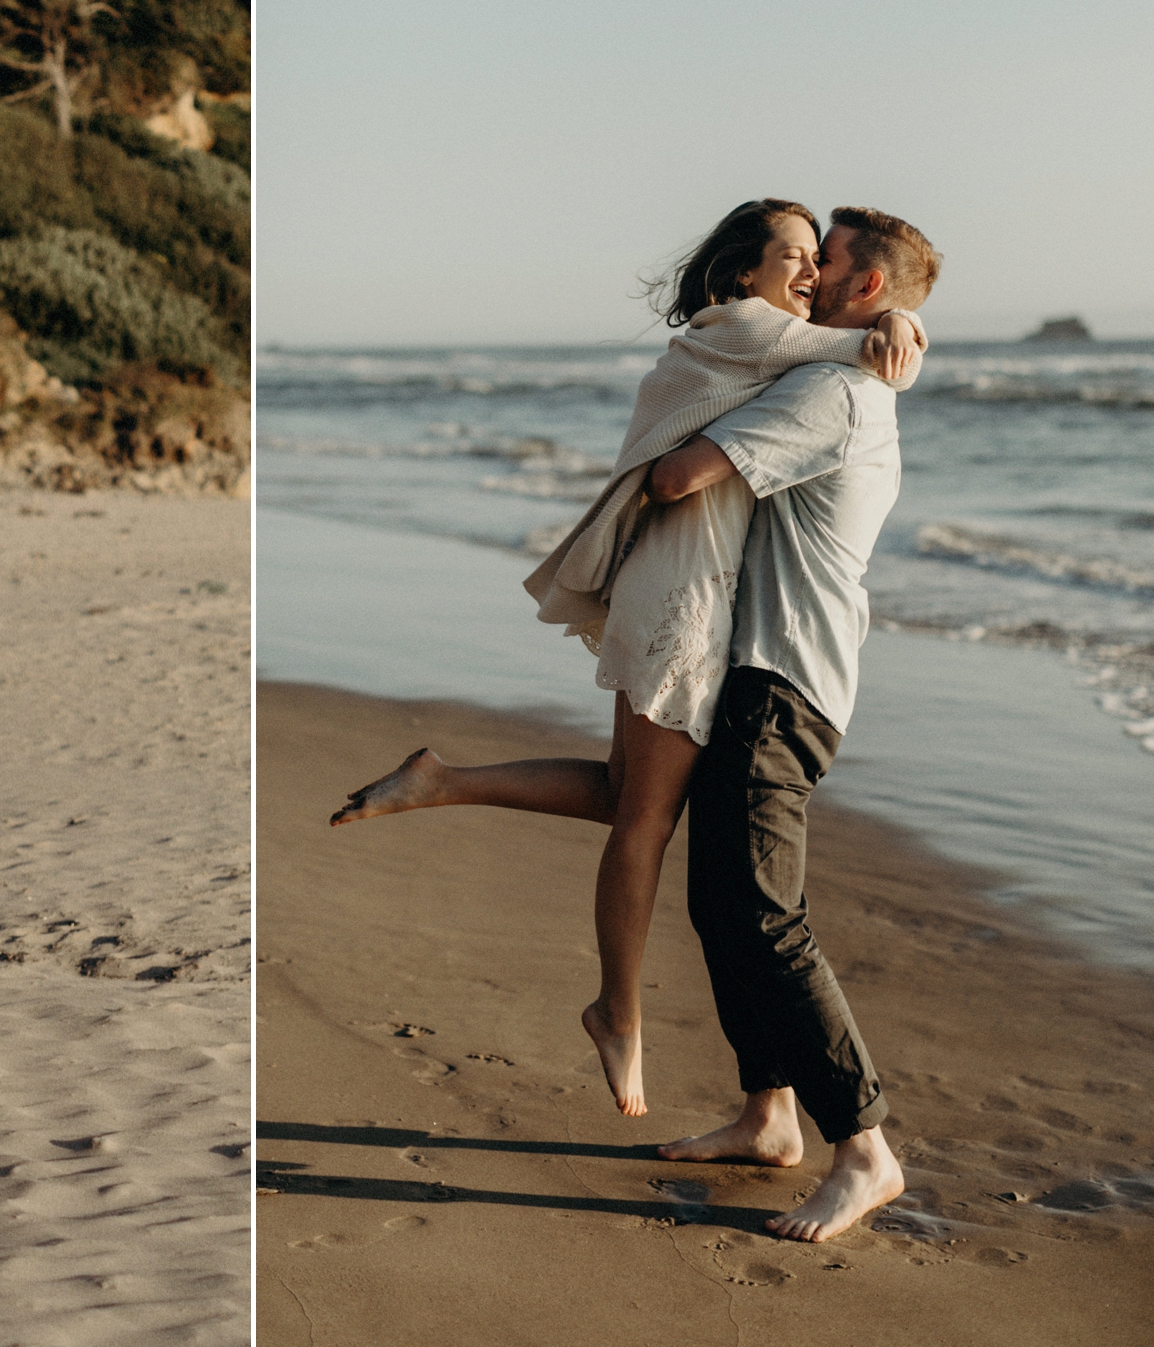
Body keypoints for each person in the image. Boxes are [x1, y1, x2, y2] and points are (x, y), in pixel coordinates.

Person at [329, 200, 925, 1117]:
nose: (809, 273)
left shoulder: (753, 349)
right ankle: (621, 1013)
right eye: (796, 256)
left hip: (702, 608)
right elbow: (712, 452)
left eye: (821, 258)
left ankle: (441, 780)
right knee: (652, 824)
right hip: (693, 603)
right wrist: (896, 331)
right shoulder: (772, 343)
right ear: (742, 272)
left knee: (631, 799)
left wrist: (892, 323)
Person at [647, 206, 941, 1242]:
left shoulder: (834, 390)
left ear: (867, 290)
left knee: (765, 917)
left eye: (831, 264)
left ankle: (865, 1150)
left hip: (783, 685)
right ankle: (768, 1117)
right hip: (773, 679)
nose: (808, 276)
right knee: (721, 908)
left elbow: (677, 477)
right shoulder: (837, 368)